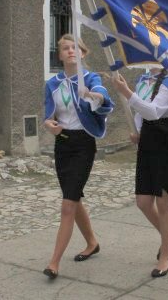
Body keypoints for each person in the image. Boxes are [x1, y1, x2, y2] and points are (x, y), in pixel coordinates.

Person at [42, 34, 114, 280]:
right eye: (65, 48)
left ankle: (54, 263)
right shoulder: (53, 84)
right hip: (62, 145)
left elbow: (103, 96)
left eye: (75, 48)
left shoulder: (90, 79)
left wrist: (93, 96)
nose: (71, 51)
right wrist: (49, 125)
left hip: (83, 144)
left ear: (82, 54)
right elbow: (48, 115)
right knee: (74, 198)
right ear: (60, 55)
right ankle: (92, 242)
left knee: (67, 205)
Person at [111, 66, 168, 278]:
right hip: (148, 144)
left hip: (167, 146)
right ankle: (167, 234)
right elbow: (141, 112)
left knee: (164, 202)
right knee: (143, 202)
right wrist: (137, 130)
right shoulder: (144, 79)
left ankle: (166, 254)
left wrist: (126, 91)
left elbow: (153, 111)